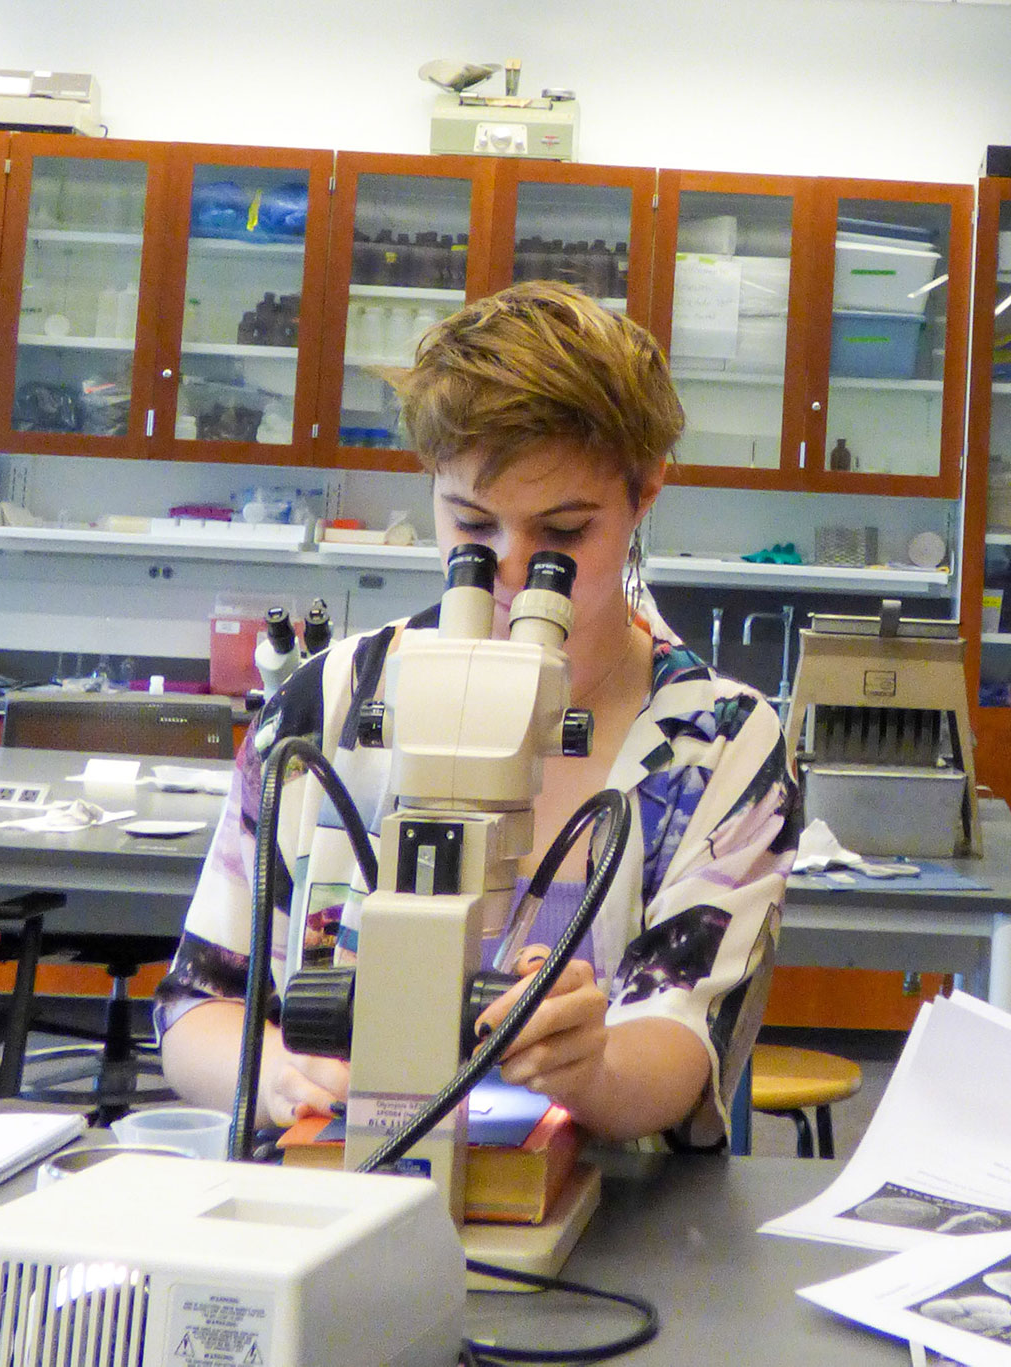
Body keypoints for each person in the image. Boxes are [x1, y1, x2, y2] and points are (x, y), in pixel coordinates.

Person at [158, 281, 801, 1149]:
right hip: (328, 1198)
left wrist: (592, 1062)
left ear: (645, 494)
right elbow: (197, 1008)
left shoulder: (720, 747)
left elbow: (683, 1050)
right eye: (471, 525)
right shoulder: (325, 705)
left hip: (606, 1238)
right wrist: (278, 1068)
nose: (510, 573)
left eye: (563, 535)